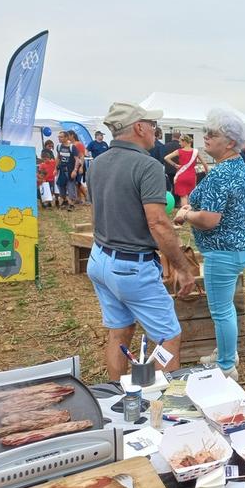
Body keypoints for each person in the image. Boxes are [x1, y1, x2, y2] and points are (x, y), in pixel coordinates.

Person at [87, 102, 195, 380]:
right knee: (168, 338)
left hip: (100, 259)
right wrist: (183, 268)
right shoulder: (148, 166)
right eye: (152, 125)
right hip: (131, 267)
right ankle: (160, 410)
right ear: (139, 127)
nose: (155, 131)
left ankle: (116, 398)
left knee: (119, 332)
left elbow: (95, 216)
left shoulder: (98, 163)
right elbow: (158, 223)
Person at [173, 109, 245, 382]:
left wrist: (186, 214)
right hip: (237, 246)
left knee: (221, 310)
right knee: (226, 307)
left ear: (229, 142)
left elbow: (209, 219)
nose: (205, 138)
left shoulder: (221, 174)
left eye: (213, 134)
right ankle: (226, 352)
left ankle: (226, 367)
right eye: (206, 132)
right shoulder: (238, 167)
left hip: (222, 251)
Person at [165, 134, 209, 208]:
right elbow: (204, 163)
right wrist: (207, 172)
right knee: (190, 194)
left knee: (183, 196)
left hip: (181, 175)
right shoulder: (196, 151)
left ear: (184, 141)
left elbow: (166, 158)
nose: (179, 144)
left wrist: (175, 165)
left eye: (180, 142)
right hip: (191, 176)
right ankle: (189, 212)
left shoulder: (179, 151)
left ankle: (184, 213)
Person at [55, 131, 80, 211]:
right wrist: (55, 169)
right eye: (59, 137)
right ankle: (65, 200)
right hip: (61, 170)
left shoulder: (72, 147)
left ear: (66, 137)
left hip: (70, 170)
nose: (59, 138)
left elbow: (77, 159)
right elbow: (58, 157)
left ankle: (71, 204)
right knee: (60, 185)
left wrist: (75, 170)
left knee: (70, 187)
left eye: (61, 137)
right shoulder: (59, 146)